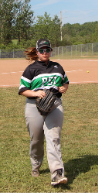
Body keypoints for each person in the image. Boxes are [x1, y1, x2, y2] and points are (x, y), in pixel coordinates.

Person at [18, 39, 69, 186]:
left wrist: (64, 88)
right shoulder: (31, 69)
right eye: (42, 50)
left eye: (48, 50)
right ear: (37, 52)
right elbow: (22, 90)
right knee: (37, 139)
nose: (45, 52)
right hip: (34, 106)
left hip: (55, 105)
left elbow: (65, 81)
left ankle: (57, 174)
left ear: (51, 51)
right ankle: (35, 164)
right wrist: (36, 93)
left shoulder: (57, 67)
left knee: (53, 138)